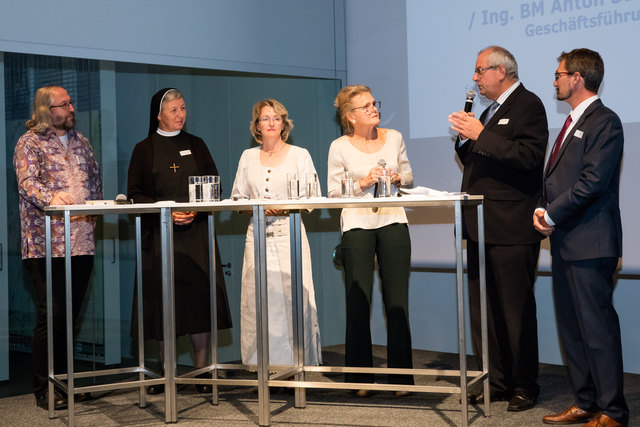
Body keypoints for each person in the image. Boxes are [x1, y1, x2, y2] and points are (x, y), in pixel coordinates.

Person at [448, 46, 548, 411]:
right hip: (480, 225)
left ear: (501, 71)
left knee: (515, 309)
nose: (474, 78)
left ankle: (525, 385)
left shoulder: (529, 105)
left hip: (511, 226)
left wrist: (480, 134)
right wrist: (465, 140)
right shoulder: (489, 111)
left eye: (479, 71)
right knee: (484, 310)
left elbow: (528, 158)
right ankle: (496, 380)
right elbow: (479, 162)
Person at [535, 49, 628, 427]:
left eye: (558, 74)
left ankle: (613, 411)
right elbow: (555, 178)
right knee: (572, 329)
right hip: (566, 243)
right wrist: (541, 208)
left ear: (577, 77)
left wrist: (552, 213)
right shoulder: (572, 122)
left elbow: (592, 183)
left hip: (593, 243)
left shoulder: (605, 121)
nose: (554, 80)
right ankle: (586, 402)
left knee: (597, 331)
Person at [127, 88, 232, 393]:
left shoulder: (197, 145)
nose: (180, 114)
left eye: (183, 108)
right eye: (173, 110)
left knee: (199, 302)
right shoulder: (144, 149)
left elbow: (215, 184)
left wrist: (195, 210)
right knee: (165, 304)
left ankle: (201, 371)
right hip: (161, 236)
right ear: (158, 115)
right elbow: (135, 193)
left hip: (197, 233)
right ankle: (167, 372)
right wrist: (168, 213)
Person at [14, 85, 102, 409]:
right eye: (64, 104)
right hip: (45, 246)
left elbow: (94, 182)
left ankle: (66, 384)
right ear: (46, 110)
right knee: (50, 317)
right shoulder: (30, 143)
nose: (71, 108)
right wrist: (51, 198)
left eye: (71, 103)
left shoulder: (83, 143)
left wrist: (94, 211)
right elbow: (26, 183)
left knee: (70, 318)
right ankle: (44, 388)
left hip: (81, 243)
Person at [328, 85, 414, 396]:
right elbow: (333, 194)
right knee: (358, 302)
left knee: (397, 303)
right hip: (357, 224)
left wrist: (397, 179)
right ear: (350, 117)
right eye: (365, 106)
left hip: (392, 221)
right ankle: (360, 379)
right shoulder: (339, 146)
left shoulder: (394, 137)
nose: (373, 109)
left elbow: (409, 176)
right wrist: (363, 183)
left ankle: (402, 380)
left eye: (373, 103)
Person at [231, 99, 322, 367]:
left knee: (292, 300)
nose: (270, 123)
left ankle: (296, 365)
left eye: (276, 118)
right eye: (264, 118)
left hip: (289, 235)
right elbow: (237, 199)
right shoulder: (248, 157)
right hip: (256, 236)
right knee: (258, 301)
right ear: (256, 125)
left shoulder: (300, 154)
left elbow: (312, 198)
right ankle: (263, 367)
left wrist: (282, 208)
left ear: (284, 124)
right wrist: (257, 208)